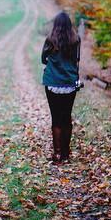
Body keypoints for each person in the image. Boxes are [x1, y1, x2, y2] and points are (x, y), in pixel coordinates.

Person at [41, 11, 81, 164]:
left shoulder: (50, 39)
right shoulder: (76, 40)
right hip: (69, 83)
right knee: (66, 117)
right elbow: (77, 60)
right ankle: (66, 153)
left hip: (52, 83)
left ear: (56, 25)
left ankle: (57, 154)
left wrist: (52, 63)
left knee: (56, 118)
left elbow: (43, 59)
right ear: (69, 24)